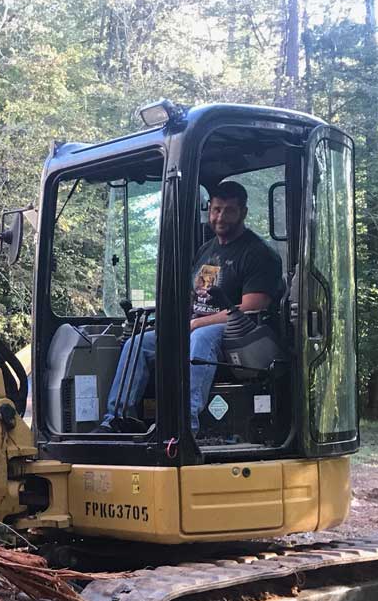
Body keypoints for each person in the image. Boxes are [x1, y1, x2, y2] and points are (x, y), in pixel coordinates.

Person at [100, 180, 283, 435]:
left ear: (243, 212)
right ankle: (116, 419)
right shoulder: (206, 250)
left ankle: (185, 424)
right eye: (217, 209)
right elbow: (192, 298)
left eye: (229, 210)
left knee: (201, 336)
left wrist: (197, 323)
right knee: (137, 344)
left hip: (237, 333)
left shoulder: (257, 253)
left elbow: (254, 306)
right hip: (195, 325)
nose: (221, 217)